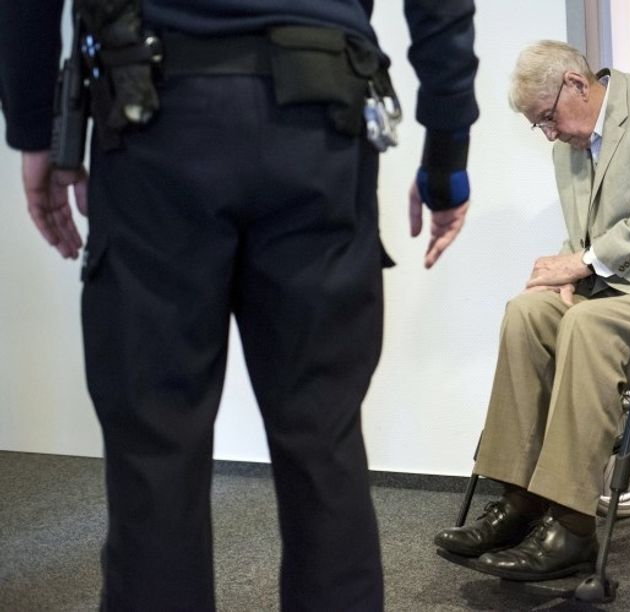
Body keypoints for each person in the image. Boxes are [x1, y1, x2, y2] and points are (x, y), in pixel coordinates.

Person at [0, 0, 477, 609]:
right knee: (322, 441)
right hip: (321, 118)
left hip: (153, 118)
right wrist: (447, 150)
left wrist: (36, 134)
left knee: (156, 448)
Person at [433, 40, 630, 581]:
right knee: (526, 313)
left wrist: (580, 264)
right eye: (541, 126)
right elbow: (588, 235)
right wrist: (563, 269)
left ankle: (574, 525)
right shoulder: (570, 148)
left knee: (587, 323)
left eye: (548, 119)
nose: (550, 134)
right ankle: (519, 502)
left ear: (576, 85)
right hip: (628, 286)